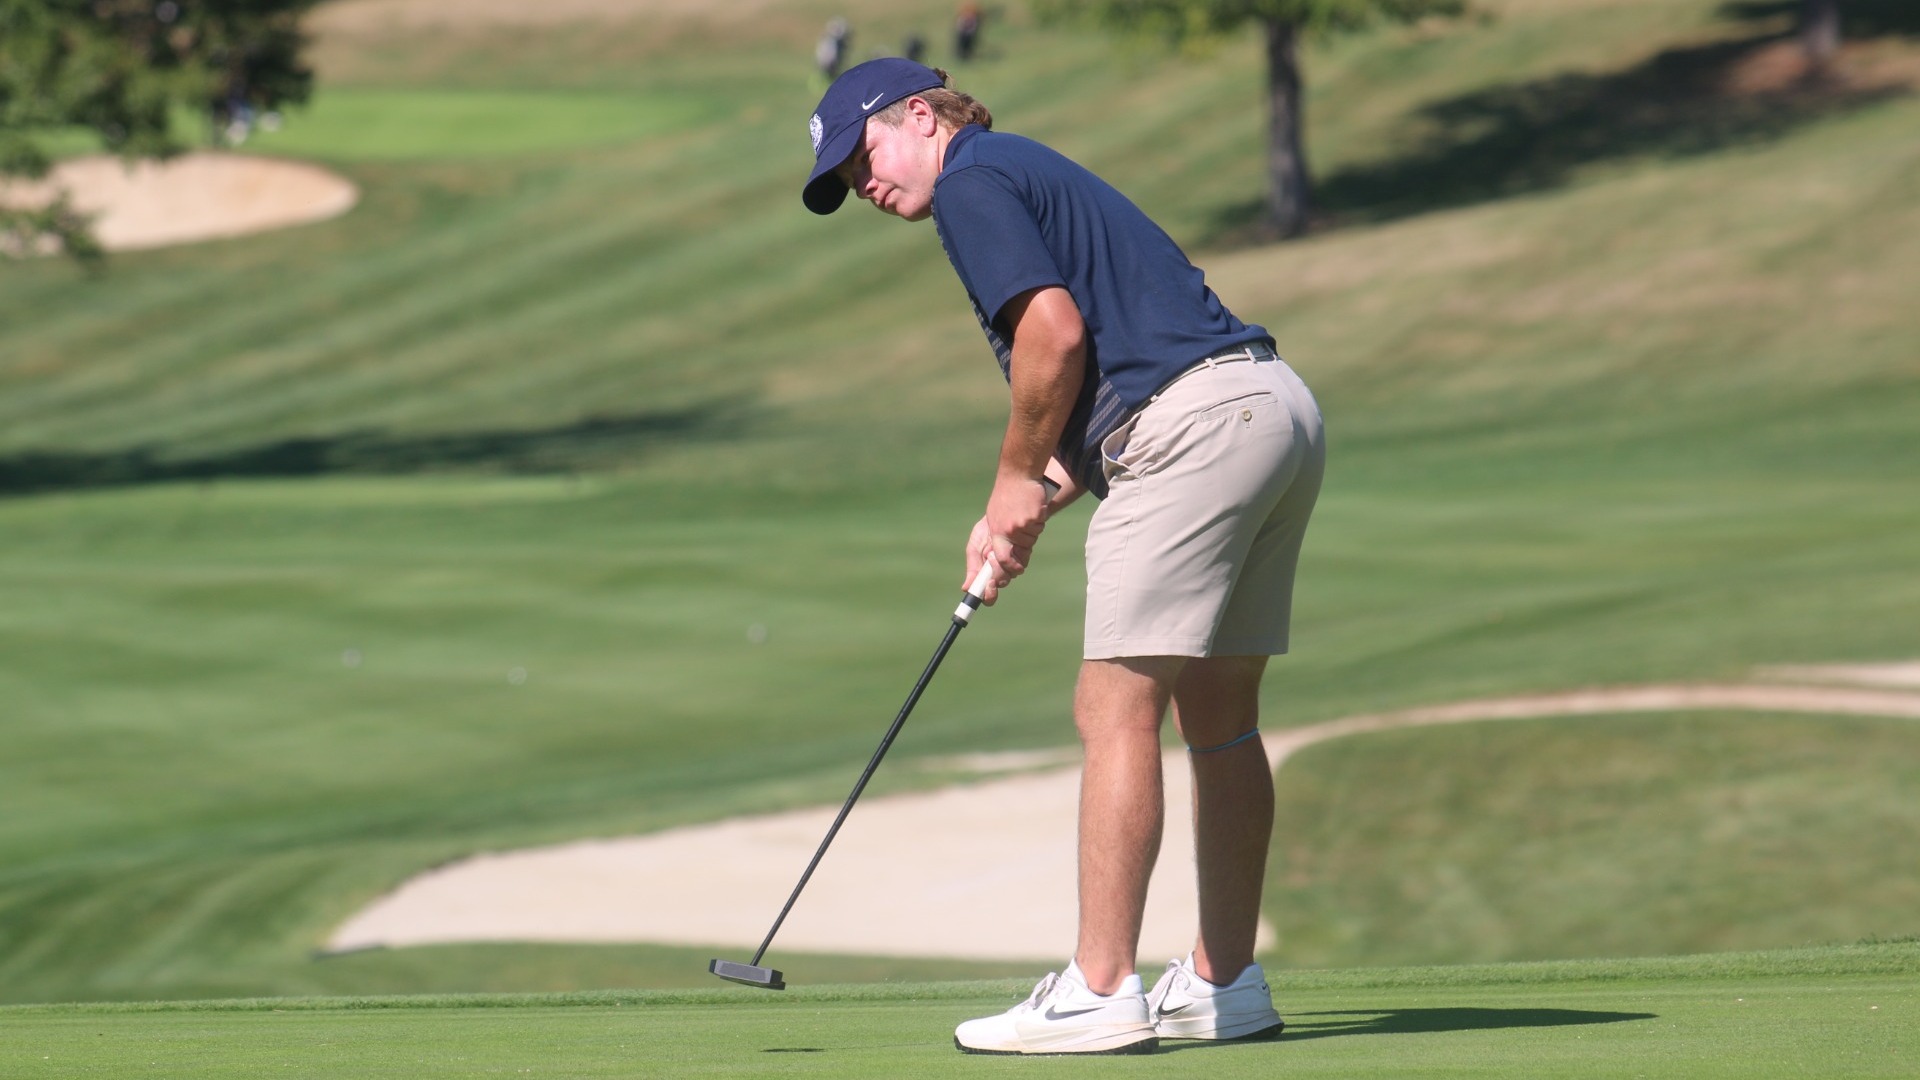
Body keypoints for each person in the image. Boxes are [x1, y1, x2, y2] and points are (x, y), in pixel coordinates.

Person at [800, 59, 1325, 1056]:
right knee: (1219, 711)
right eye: (844, 184)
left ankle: (1100, 991)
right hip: (1272, 410)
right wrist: (1025, 506)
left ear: (921, 115)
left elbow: (1054, 333)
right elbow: (1110, 381)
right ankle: (1225, 983)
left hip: (1195, 430)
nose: (863, 187)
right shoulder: (1020, 172)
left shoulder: (969, 181)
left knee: (1113, 703)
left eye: (861, 157)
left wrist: (1009, 479)